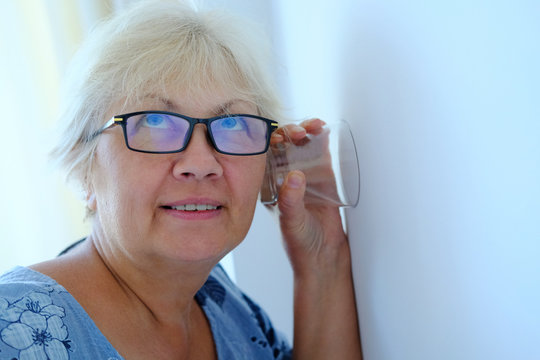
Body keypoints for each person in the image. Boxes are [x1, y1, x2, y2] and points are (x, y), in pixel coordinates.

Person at [0, 1, 361, 359]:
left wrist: (320, 259)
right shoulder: (13, 329)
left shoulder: (223, 302)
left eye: (232, 123)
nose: (201, 163)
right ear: (83, 168)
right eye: (154, 123)